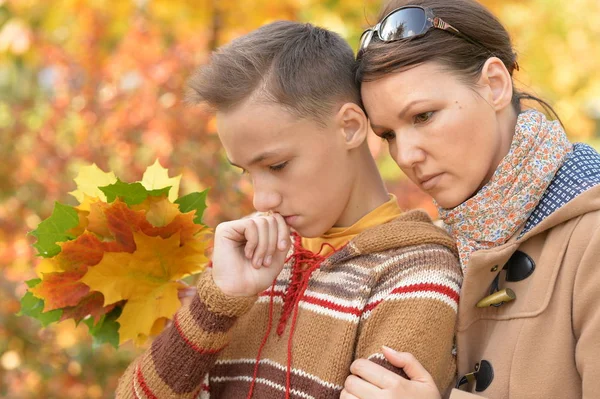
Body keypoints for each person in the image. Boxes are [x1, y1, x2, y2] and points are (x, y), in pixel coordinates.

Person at [116, 20, 462, 399]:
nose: (261, 200)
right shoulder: (245, 268)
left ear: (349, 127)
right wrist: (216, 302)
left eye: (277, 166)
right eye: (247, 172)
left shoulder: (416, 275)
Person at [342, 0, 600, 398]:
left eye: (423, 116)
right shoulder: (439, 248)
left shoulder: (592, 234)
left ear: (495, 85)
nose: (406, 156)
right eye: (388, 135)